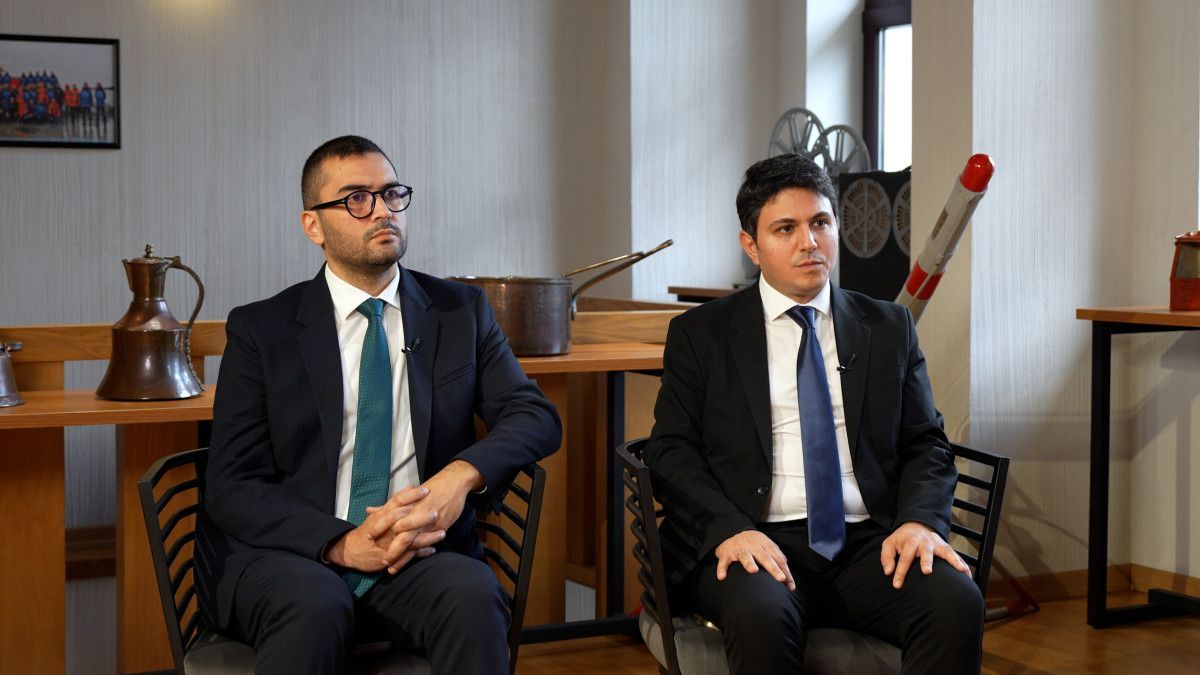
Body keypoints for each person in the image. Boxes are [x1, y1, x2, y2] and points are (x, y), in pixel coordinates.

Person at [195, 134, 561, 674]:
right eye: (357, 199)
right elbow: (231, 484)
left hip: (415, 553)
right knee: (314, 605)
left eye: (391, 194)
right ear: (313, 226)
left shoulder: (459, 311)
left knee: (472, 593)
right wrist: (341, 544)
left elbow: (535, 416)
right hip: (294, 555)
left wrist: (457, 479)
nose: (382, 210)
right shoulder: (262, 329)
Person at [645, 153, 983, 673]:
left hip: (871, 539)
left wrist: (920, 522)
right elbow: (671, 451)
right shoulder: (701, 335)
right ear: (751, 245)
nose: (809, 242)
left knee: (955, 600)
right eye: (786, 228)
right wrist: (729, 529)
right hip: (757, 537)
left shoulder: (888, 327)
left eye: (820, 223)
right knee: (759, 614)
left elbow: (926, 443)